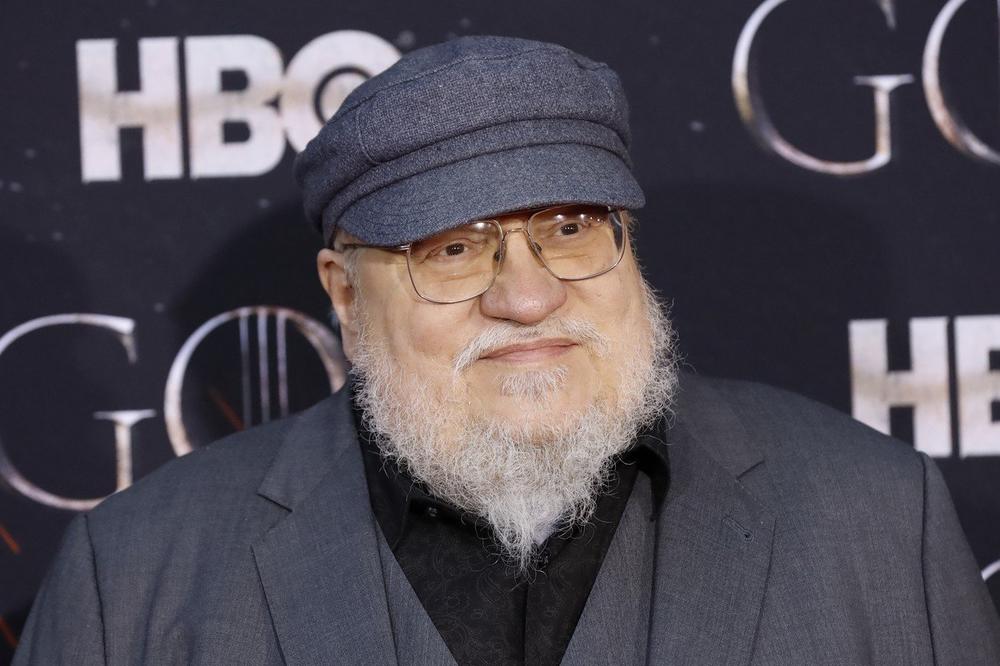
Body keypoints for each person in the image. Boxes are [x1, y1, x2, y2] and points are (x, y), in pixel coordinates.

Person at [14, 35, 1000, 665]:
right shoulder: (136, 571)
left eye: (569, 228)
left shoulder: (876, 516)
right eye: (451, 249)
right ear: (344, 293)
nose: (527, 296)